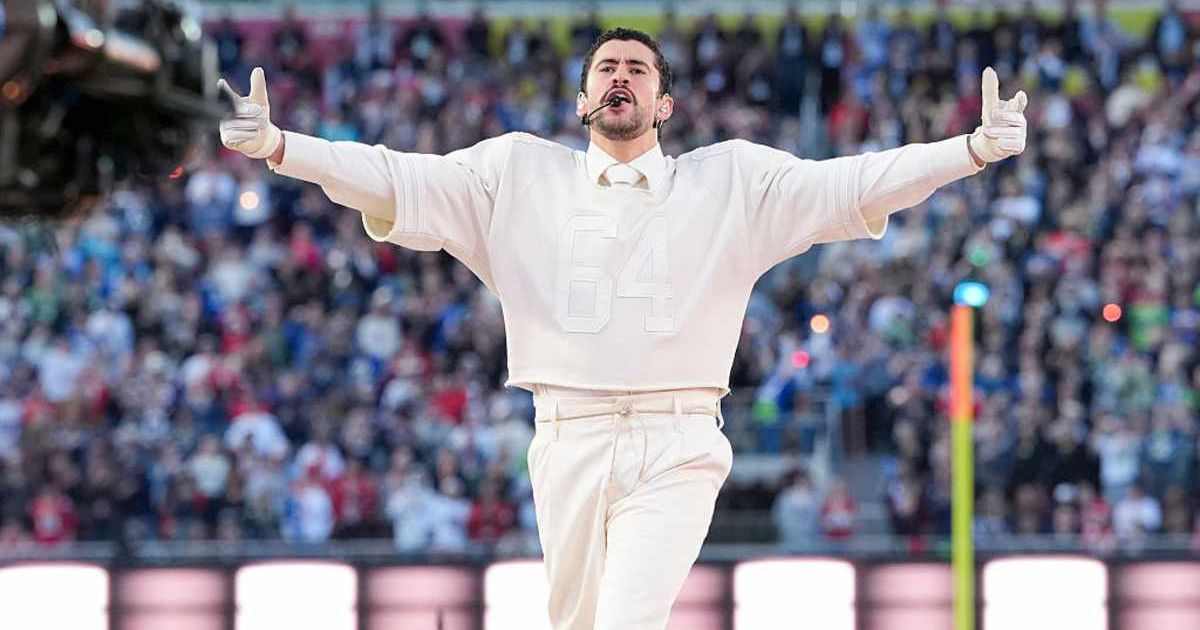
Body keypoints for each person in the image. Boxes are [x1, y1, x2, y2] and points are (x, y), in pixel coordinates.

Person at [219, 26, 1027, 630]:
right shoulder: (514, 172)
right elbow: (395, 175)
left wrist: (972, 150)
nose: (620, 76)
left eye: (637, 69)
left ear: (663, 105)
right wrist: (284, 147)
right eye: (606, 66)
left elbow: (854, 182)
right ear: (582, 99)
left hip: (678, 440)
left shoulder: (731, 180)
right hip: (564, 433)